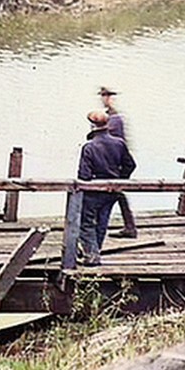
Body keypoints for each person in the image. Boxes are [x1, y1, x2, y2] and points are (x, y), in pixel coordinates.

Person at [77, 110, 137, 266]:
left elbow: (84, 175)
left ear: (92, 126)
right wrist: (120, 181)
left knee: (86, 222)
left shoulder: (89, 147)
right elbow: (130, 165)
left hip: (93, 191)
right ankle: (94, 252)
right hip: (112, 191)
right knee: (102, 222)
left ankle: (92, 255)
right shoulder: (119, 143)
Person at [99, 87, 138, 238]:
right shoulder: (110, 115)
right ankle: (129, 226)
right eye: (103, 96)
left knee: (115, 193)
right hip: (114, 161)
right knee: (118, 193)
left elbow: (114, 142)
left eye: (106, 96)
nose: (103, 99)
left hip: (115, 163)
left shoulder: (114, 118)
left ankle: (129, 227)